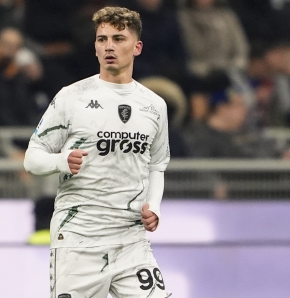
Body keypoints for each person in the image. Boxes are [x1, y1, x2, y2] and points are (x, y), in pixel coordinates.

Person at [24, 6, 171, 298]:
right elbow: (32, 158)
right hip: (79, 238)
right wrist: (60, 161)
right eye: (102, 39)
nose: (109, 47)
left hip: (131, 239)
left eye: (118, 39)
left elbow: (157, 164)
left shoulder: (155, 105)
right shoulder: (71, 97)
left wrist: (153, 205)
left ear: (137, 47)